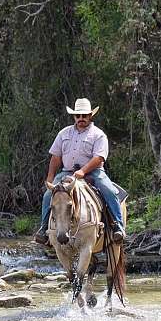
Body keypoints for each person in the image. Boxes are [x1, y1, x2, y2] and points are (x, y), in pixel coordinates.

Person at [34, 98, 126, 245]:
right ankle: (43, 228)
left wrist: (83, 171)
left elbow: (99, 158)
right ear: (74, 117)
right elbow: (56, 157)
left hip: (93, 172)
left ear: (90, 115)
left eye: (84, 115)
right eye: (78, 115)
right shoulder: (63, 133)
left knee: (109, 190)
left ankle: (118, 226)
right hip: (66, 173)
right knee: (47, 196)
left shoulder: (98, 134)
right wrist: (50, 178)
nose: (81, 118)